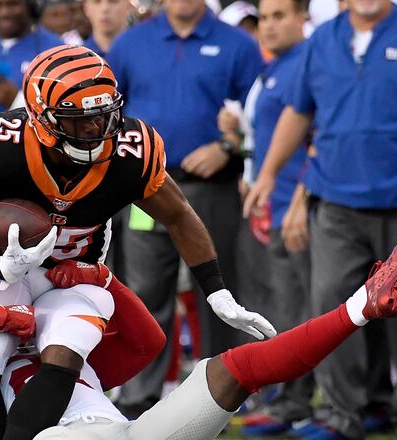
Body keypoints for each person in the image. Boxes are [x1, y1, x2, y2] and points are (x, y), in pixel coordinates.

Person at [0, 44, 275, 440]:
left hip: (76, 275)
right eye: (80, 120)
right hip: (7, 273)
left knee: (66, 349)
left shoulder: (130, 150)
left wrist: (217, 293)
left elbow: (179, 216)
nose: (97, 129)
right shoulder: (3, 144)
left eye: (104, 115)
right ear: (42, 118)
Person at [0, 225, 397, 440]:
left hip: (128, 434)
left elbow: (149, 345)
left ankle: (362, 306)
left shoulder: (63, 339)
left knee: (231, 371)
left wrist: (105, 280)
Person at [244, 0, 397, 438]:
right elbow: (299, 110)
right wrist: (269, 173)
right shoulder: (323, 41)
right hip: (335, 203)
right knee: (331, 308)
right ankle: (340, 415)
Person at [105, 0, 264, 416]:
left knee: (219, 290)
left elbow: (262, 115)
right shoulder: (129, 44)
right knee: (143, 292)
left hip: (212, 185)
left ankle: (228, 394)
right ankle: (140, 397)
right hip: (145, 189)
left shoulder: (237, 45)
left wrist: (229, 147)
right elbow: (107, 114)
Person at [219, 0, 312, 435]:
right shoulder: (273, 67)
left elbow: (316, 137)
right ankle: (284, 397)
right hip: (267, 203)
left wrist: (300, 199)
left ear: (302, 17)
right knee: (275, 302)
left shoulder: (304, 65)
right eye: (266, 18)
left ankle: (295, 404)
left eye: (279, 17)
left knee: (295, 305)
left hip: (295, 202)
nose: (269, 27)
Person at [0, 0, 62, 113]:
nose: (4, 13)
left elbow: (65, 109)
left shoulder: (56, 49)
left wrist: (16, 101)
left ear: (31, 7)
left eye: (13, 4)